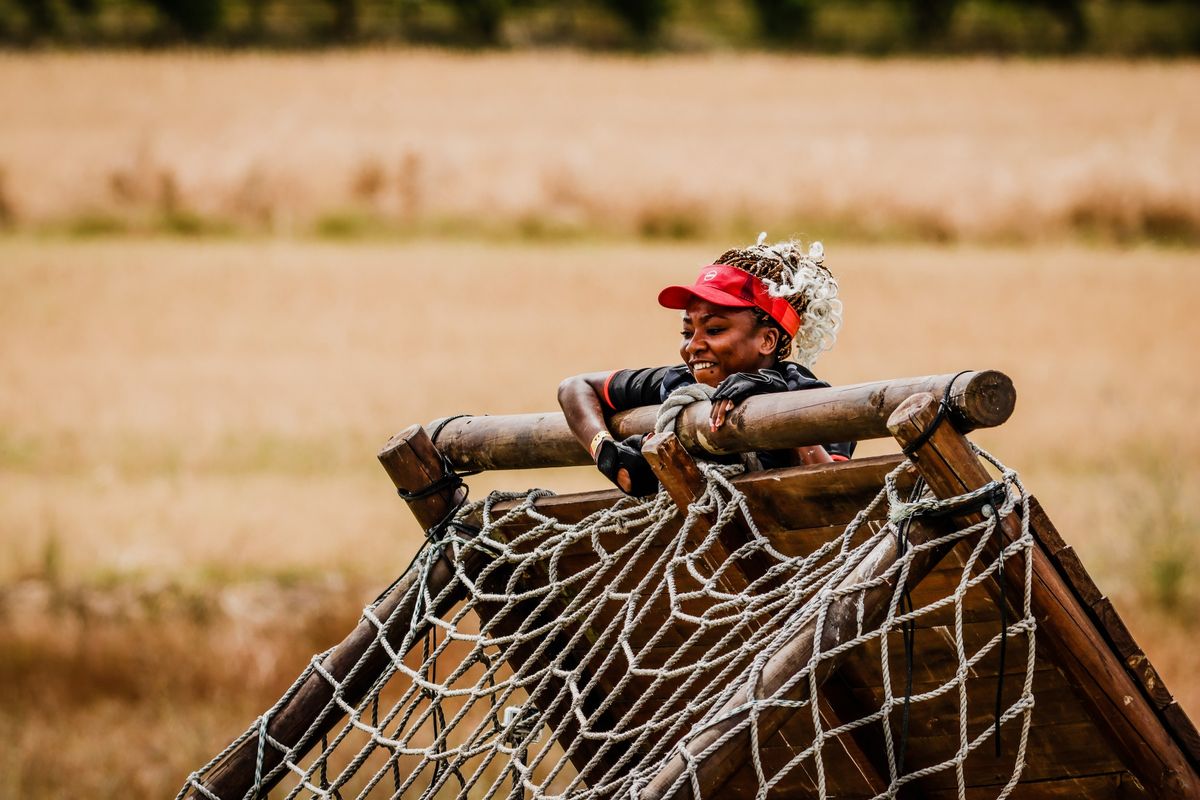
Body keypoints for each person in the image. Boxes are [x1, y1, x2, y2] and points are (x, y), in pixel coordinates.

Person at [558, 237, 855, 496]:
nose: (693, 345)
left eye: (713, 330)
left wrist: (781, 409)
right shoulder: (678, 383)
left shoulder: (809, 395)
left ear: (767, 340)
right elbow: (575, 387)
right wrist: (606, 452)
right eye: (687, 333)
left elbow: (839, 491)